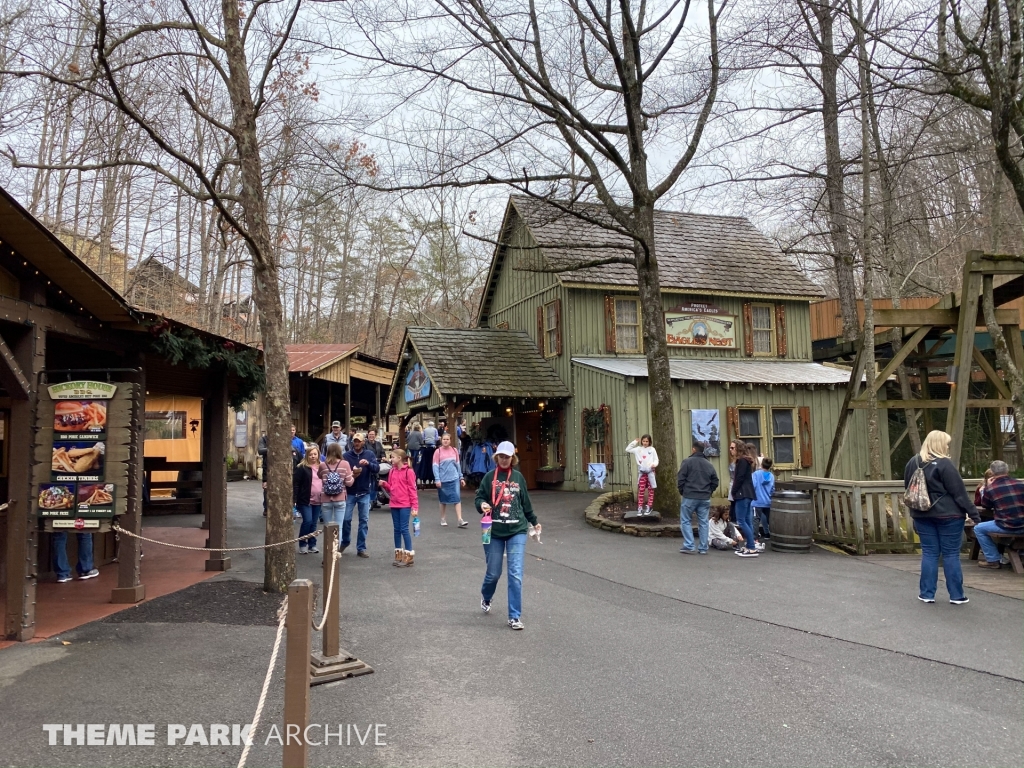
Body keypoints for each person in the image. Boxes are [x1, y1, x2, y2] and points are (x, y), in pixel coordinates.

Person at [903, 430, 979, 604]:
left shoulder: (912, 462)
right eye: (946, 443)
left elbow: (909, 490)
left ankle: (927, 594)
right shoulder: (945, 464)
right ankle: (957, 595)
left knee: (929, 553)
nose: (947, 446)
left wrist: (913, 513)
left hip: (922, 514)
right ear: (939, 444)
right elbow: (959, 493)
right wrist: (974, 515)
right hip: (949, 515)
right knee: (951, 554)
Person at [475, 441, 539, 630]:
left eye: (507, 456)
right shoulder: (489, 478)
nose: (504, 459)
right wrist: (482, 505)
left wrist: (534, 521)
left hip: (517, 530)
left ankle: (514, 616)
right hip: (493, 531)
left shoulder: (518, 478)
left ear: (513, 458)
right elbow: (479, 497)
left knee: (515, 574)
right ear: (496, 457)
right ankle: (486, 596)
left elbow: (525, 502)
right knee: (493, 573)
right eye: (501, 456)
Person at [975, 460, 1024, 570]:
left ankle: (993, 560)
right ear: (1007, 470)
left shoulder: (991, 488)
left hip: (1007, 525)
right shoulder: (1020, 484)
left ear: (992, 472)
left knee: (978, 529)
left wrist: (989, 486)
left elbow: (985, 505)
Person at [676, 439, 719, 554]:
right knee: (703, 522)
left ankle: (689, 545)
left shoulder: (687, 462)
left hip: (689, 495)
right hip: (704, 497)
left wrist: (682, 491)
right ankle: (703, 547)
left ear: (693, 449)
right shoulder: (709, 464)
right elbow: (715, 481)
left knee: (685, 520)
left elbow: (681, 478)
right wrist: (709, 491)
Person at [379, 448, 419, 567]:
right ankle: (398, 555)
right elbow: (391, 487)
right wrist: (384, 484)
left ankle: (408, 556)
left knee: (404, 529)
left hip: (405, 504)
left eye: (393, 457)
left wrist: (415, 506)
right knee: (397, 529)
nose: (391, 459)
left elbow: (413, 490)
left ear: (400, 458)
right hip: (394, 503)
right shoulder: (392, 471)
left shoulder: (409, 472)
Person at [343, 433, 380, 558]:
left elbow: (377, 468)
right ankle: (345, 541)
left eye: (359, 441)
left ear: (363, 442)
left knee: (363, 521)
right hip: (350, 491)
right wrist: (351, 474)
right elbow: (342, 472)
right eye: (355, 441)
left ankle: (361, 547)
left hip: (364, 491)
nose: (357, 443)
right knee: (346, 519)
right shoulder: (346, 456)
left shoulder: (369, 454)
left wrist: (368, 464)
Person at [293, 446, 323, 555]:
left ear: (318, 455)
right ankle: (302, 544)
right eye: (310, 454)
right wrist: (294, 499)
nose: (313, 456)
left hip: (318, 499)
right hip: (305, 499)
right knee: (308, 521)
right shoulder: (302, 467)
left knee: (314, 524)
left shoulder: (321, 466)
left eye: (315, 454)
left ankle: (312, 544)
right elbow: (296, 484)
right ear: (307, 455)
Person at [731, 442, 760, 557]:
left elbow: (739, 478)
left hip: (742, 493)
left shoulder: (742, 461)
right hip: (748, 493)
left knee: (741, 520)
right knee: (747, 521)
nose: (730, 450)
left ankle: (751, 547)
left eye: (732, 448)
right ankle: (749, 545)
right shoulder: (746, 461)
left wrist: (734, 491)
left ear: (738, 449)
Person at [433, 432, 467, 527]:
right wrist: (437, 479)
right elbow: (435, 466)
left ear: (450, 440)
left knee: (457, 498)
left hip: (454, 478)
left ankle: (460, 519)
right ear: (441, 440)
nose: (445, 441)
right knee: (443, 500)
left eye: (447, 439)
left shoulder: (454, 450)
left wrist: (461, 477)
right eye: (444, 439)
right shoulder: (438, 452)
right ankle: (443, 518)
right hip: (443, 479)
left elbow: (457, 464)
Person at [319, 442, 354, 529]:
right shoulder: (345, 464)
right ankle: (337, 543)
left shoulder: (323, 465)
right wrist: (353, 476)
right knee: (339, 527)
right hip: (340, 497)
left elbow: (319, 476)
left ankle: (328, 543)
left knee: (327, 527)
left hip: (326, 498)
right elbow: (349, 483)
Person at [626, 435, 659, 515]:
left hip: (650, 472)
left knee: (651, 490)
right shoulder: (638, 449)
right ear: (641, 441)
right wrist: (634, 442)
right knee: (641, 490)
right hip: (642, 472)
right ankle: (640, 507)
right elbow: (627, 449)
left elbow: (656, 459)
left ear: (649, 442)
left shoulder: (652, 449)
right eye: (643, 441)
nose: (645, 443)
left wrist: (654, 464)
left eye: (647, 441)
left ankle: (649, 506)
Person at [752, 457, 775, 539]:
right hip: (768, 501)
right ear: (770, 466)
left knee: (756, 520)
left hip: (757, 501)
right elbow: (772, 489)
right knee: (770, 520)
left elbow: (753, 485)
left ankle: (754, 538)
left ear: (761, 464)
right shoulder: (772, 476)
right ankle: (772, 535)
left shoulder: (756, 474)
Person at [366, 429, 386, 509]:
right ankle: (369, 502)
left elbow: (382, 452)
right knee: (370, 484)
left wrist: (383, 456)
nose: (371, 436)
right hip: (368, 466)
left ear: (375, 435)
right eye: (370, 434)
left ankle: (374, 501)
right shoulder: (365, 444)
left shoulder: (378, 444)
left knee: (376, 484)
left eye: (373, 434)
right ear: (367, 435)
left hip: (377, 465)